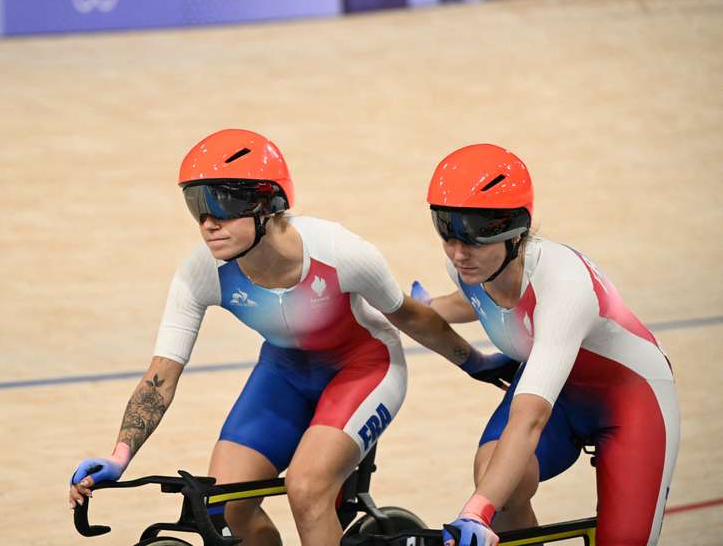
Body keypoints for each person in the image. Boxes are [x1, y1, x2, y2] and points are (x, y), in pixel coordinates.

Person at [68, 129, 512, 546]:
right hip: (284, 373)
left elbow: (409, 316)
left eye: (220, 205)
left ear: (266, 205)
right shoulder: (200, 272)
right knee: (227, 505)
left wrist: (473, 361)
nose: (206, 223)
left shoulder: (341, 252)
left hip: (364, 368)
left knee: (307, 489)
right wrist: (120, 455)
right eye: (196, 206)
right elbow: (160, 377)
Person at [412, 144, 679, 546]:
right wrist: (431, 309)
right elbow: (478, 298)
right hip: (558, 387)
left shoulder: (564, 287)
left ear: (516, 235)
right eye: (446, 233)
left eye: (473, 243)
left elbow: (529, 420)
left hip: (631, 399)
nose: (457, 253)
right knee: (496, 477)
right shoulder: (469, 264)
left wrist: (473, 515)